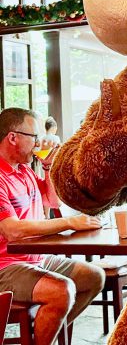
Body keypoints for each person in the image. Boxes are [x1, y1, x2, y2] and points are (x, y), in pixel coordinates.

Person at [0, 108, 105, 345]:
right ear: (13, 137)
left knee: (93, 277)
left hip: (35, 259)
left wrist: (48, 167)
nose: (39, 142)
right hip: (5, 267)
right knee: (62, 290)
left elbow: (53, 201)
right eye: (34, 136)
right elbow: (12, 230)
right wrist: (69, 222)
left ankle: (44, 334)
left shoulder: (24, 170)